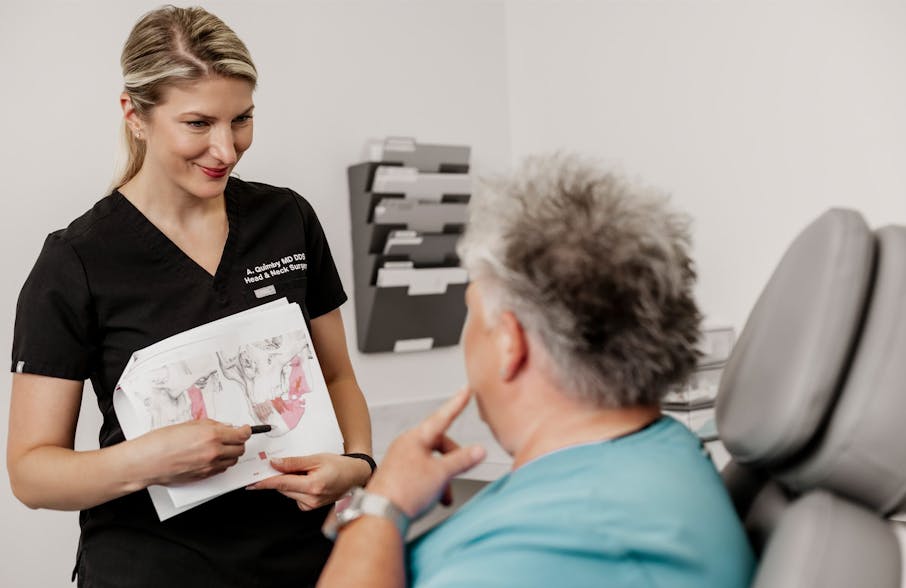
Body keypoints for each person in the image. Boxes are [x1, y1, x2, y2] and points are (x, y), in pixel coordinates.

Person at [7, 6, 373, 587]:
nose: (226, 149)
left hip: (304, 563)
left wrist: (356, 465)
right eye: (198, 124)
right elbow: (31, 473)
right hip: (152, 568)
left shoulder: (287, 218)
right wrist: (149, 460)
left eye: (242, 119)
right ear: (135, 114)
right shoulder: (76, 260)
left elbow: (336, 379)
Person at [306, 153, 756, 587]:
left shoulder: (566, 546)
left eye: (471, 313)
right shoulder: (659, 447)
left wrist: (382, 504)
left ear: (509, 342)